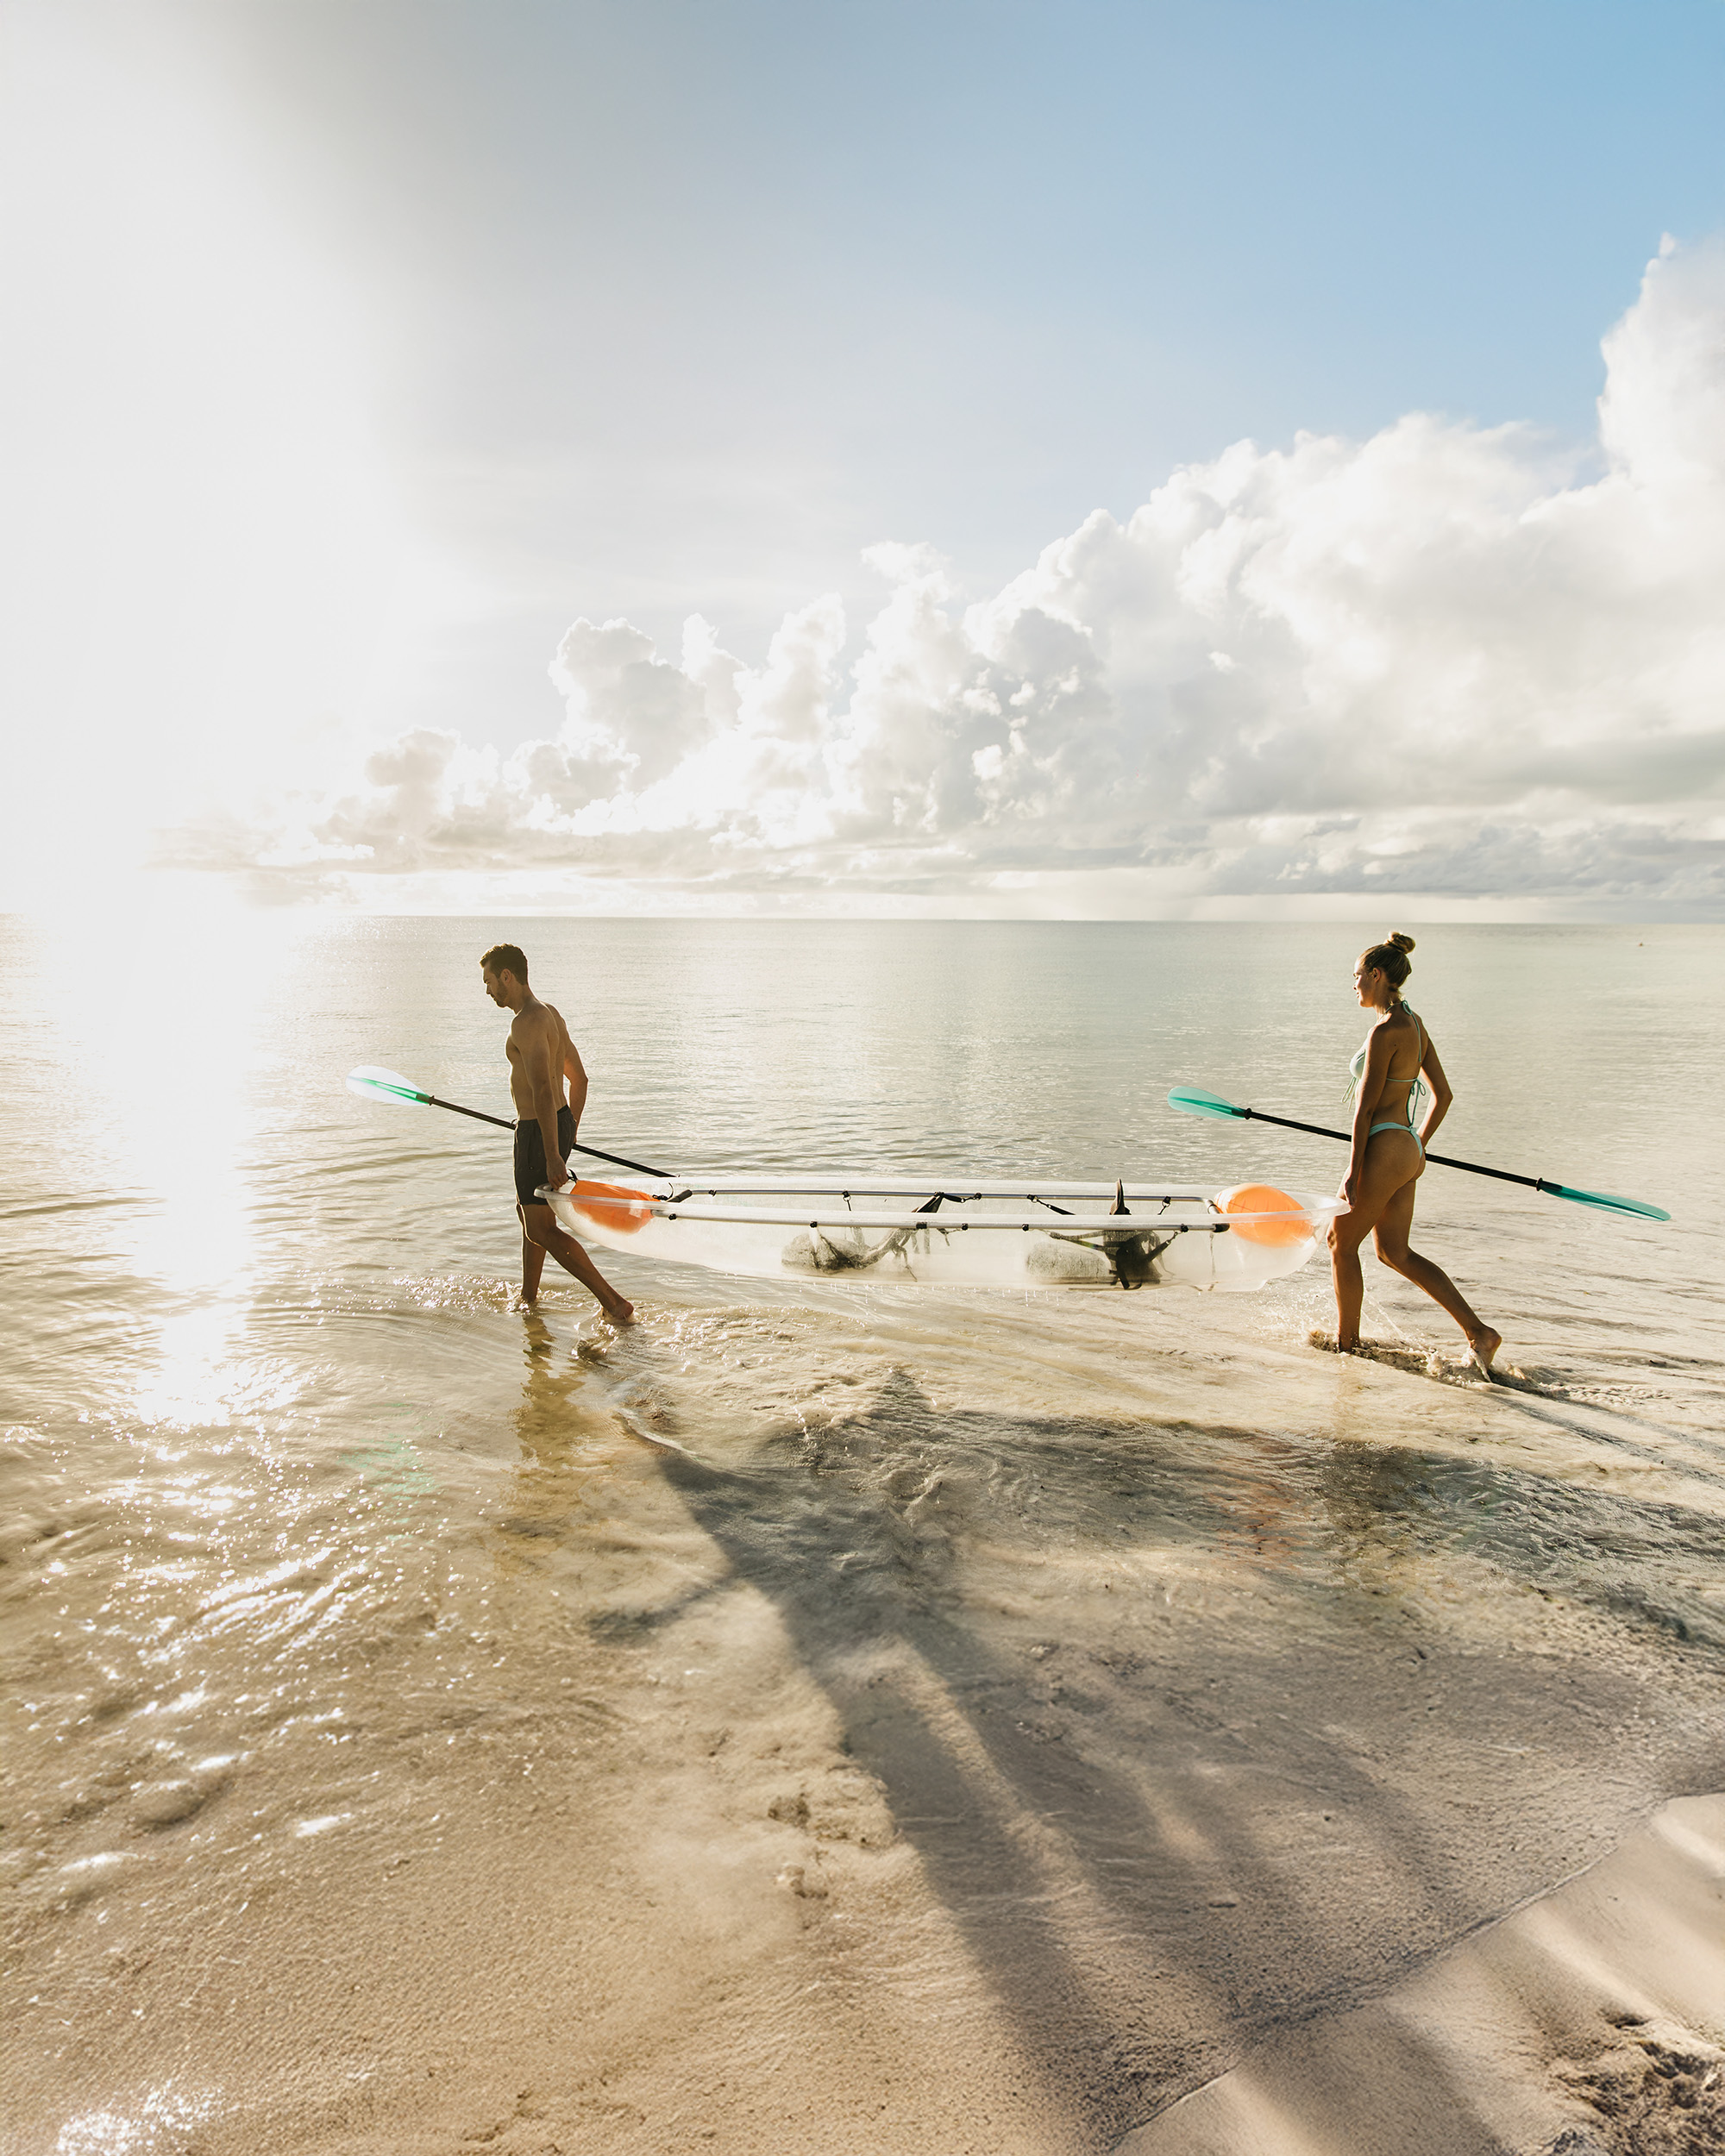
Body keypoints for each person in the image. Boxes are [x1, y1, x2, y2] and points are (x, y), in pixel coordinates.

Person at [1327, 931, 1500, 1373]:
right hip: (1406, 1146)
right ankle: (1479, 1332)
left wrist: (1353, 1171)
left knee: (1340, 1243)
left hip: (1386, 1147)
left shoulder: (1385, 1031)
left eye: (1358, 976)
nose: (1355, 986)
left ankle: (1346, 1349)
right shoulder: (1415, 1023)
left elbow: (1364, 1111)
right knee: (1394, 1252)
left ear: (1377, 974)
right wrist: (1415, 1147)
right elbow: (1443, 1096)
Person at [480, 943, 634, 1324]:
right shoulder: (550, 1014)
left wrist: (551, 1153)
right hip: (555, 1125)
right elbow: (578, 1079)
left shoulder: (524, 1023)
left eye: (488, 981)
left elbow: (544, 1090)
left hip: (538, 1134)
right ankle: (528, 1298)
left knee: (541, 1230)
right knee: (529, 1217)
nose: (486, 991)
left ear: (506, 977)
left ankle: (613, 1303)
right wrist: (569, 1134)